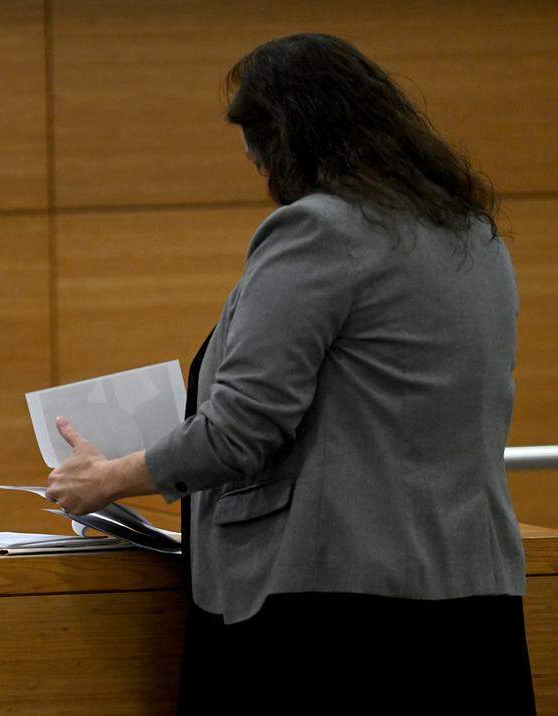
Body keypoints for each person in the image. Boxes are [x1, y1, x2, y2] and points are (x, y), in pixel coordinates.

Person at [46, 34, 534, 713]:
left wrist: (109, 479)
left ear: (288, 135)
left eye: (255, 142)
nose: (255, 163)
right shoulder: (474, 235)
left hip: (329, 610)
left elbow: (242, 430)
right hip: (471, 602)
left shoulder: (320, 229)